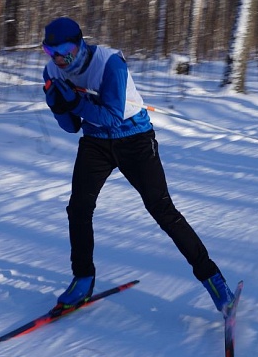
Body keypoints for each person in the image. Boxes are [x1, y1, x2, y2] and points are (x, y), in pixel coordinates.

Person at [40, 17, 235, 316]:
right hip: (95, 142)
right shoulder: (52, 71)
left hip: (134, 138)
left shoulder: (110, 64)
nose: (60, 60)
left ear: (80, 43)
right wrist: (58, 107)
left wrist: (74, 102)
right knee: (78, 209)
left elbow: (112, 117)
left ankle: (214, 280)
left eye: (65, 51)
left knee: (162, 209)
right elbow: (72, 127)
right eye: (50, 52)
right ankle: (83, 279)